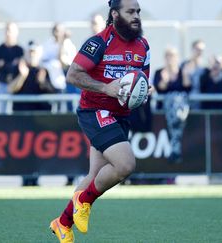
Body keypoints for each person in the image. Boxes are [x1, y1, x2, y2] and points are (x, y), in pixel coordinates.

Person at [49, 0, 151, 242]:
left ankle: (62, 223)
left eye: (138, 11)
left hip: (120, 115)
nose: (136, 16)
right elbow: (72, 75)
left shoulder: (143, 46)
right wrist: (107, 88)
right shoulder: (99, 42)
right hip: (94, 110)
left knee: (95, 174)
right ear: (115, 14)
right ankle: (83, 201)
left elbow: (141, 81)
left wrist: (143, 91)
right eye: (130, 12)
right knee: (125, 165)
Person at [9, 41, 56, 186]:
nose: (32, 55)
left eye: (34, 52)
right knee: (22, 148)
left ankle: (35, 177)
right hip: (22, 117)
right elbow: (11, 89)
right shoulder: (18, 69)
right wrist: (22, 76)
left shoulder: (43, 71)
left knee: (37, 149)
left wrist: (42, 82)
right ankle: (25, 177)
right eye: (30, 52)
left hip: (39, 118)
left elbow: (53, 92)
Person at [154, 47, 190, 163]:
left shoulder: (182, 71)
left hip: (181, 106)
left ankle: (175, 150)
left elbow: (187, 87)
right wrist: (164, 79)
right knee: (172, 100)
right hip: (168, 108)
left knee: (177, 98)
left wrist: (184, 73)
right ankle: (176, 150)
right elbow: (160, 89)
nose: (170, 58)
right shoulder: (160, 72)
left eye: (173, 56)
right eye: (168, 56)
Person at [0, 22, 24, 114]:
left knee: (17, 109)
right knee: (2, 111)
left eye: (10, 30)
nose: (8, 33)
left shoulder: (20, 50)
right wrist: (12, 64)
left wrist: (4, 65)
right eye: (6, 30)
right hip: (3, 84)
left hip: (16, 84)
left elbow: (20, 68)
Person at [181, 40, 206, 110]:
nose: (200, 52)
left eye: (202, 50)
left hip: (201, 103)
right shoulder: (184, 65)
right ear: (192, 49)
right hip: (187, 102)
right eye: (197, 49)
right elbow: (184, 85)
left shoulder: (205, 68)